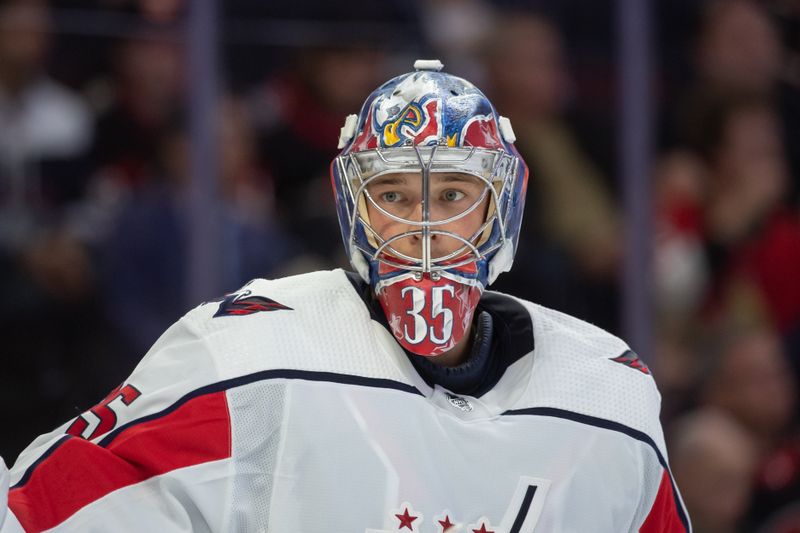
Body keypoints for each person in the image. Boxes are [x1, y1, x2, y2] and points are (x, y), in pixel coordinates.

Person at [0, 60, 690, 532]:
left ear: (501, 210)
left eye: (452, 193)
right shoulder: (249, 359)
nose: (423, 226)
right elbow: (38, 512)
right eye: (393, 193)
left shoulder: (608, 397)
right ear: (352, 208)